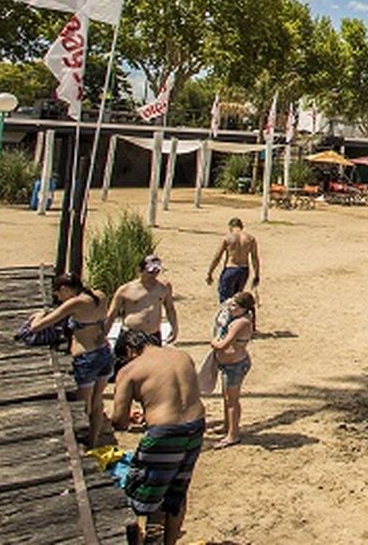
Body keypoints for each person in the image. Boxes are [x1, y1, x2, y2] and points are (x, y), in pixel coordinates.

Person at [110, 328, 207, 545]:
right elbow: (178, 396)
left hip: (164, 433)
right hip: (195, 426)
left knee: (140, 493)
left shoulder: (130, 371)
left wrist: (117, 419)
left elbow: (119, 421)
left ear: (129, 350)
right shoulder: (182, 356)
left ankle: (140, 540)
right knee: (177, 491)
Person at [27, 275, 112, 447]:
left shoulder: (75, 304)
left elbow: (37, 327)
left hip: (86, 357)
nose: (59, 299)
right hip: (104, 353)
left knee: (83, 406)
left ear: (65, 289)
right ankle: (93, 442)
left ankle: (84, 444)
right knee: (97, 402)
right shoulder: (100, 296)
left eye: (58, 294)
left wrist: (38, 315)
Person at [210, 292, 255, 448]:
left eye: (235, 305)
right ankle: (227, 425)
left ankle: (233, 434)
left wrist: (214, 342)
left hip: (235, 365)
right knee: (227, 398)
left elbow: (224, 345)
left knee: (232, 401)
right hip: (228, 364)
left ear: (244, 308)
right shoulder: (234, 318)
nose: (231, 307)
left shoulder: (240, 322)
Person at [107, 254, 180, 346]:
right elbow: (112, 314)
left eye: (157, 271)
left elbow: (170, 309)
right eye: (150, 272)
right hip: (131, 335)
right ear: (140, 270)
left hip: (153, 335)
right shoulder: (125, 290)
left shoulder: (164, 287)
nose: (153, 275)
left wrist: (174, 328)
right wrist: (104, 334)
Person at [206, 218, 260, 304]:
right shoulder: (250, 239)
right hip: (244, 270)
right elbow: (255, 258)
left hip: (230, 269)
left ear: (230, 227)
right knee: (237, 299)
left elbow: (217, 256)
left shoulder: (228, 238)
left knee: (225, 298)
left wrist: (210, 272)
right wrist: (257, 275)